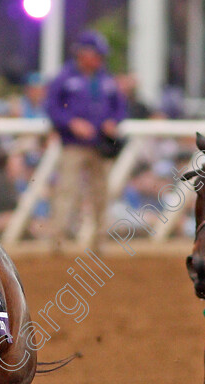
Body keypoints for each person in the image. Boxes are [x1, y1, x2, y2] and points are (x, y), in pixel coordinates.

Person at [45, 30, 127, 252]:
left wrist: (113, 122)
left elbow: (120, 108)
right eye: (96, 54)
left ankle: (99, 242)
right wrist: (71, 122)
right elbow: (51, 108)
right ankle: (58, 241)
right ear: (83, 54)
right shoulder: (64, 78)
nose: (99, 59)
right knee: (66, 192)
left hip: (99, 146)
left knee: (101, 194)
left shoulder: (106, 79)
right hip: (73, 145)